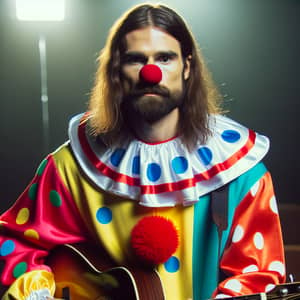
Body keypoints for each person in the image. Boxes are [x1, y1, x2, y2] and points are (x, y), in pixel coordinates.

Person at [0, 3, 285, 300]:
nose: (151, 73)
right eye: (136, 60)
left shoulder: (239, 172)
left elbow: (258, 276)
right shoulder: (70, 169)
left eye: (165, 58)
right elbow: (14, 243)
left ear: (187, 67)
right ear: (115, 71)